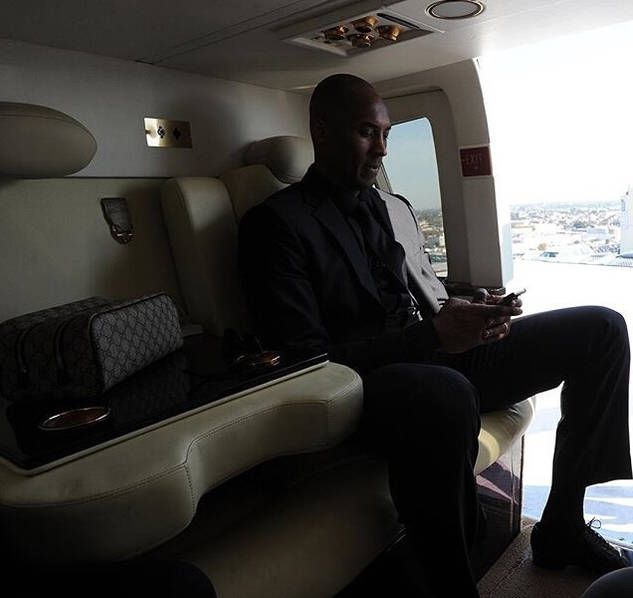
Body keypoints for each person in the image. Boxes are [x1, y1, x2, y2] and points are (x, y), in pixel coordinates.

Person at [237, 73, 632, 597]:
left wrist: (466, 315)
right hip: (367, 382)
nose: (381, 149)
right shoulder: (274, 225)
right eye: (366, 132)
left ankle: (562, 526)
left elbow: (410, 300)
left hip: (433, 355)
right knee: (444, 392)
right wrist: (431, 339)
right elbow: (305, 360)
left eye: (385, 135)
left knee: (602, 329)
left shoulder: (381, 206)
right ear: (322, 131)